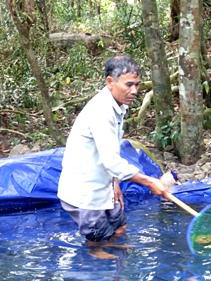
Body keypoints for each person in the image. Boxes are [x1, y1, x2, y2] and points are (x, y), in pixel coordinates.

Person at [58, 55, 168, 259]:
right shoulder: (101, 111)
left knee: (120, 227)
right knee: (96, 237)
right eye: (128, 85)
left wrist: (115, 181)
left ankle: (108, 249)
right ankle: (96, 257)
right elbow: (111, 160)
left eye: (137, 85)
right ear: (110, 82)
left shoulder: (118, 105)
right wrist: (149, 181)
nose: (134, 91)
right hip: (85, 192)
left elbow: (110, 151)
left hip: (105, 183)